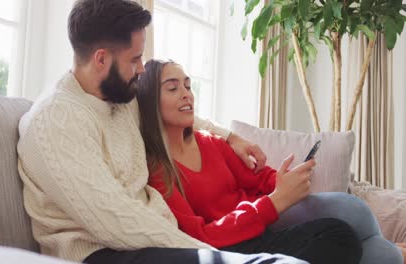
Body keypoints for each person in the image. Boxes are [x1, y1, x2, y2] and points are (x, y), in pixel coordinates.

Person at [17, 0, 308, 263]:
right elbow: (114, 221)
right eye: (134, 59)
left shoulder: (118, 99)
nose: (142, 69)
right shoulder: (56, 121)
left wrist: (232, 137)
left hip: (157, 242)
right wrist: (209, 252)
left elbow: (176, 115)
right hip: (103, 253)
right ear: (101, 59)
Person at [137, 59, 403, 264]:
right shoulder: (158, 169)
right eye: (173, 88)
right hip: (232, 247)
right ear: (150, 102)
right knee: (343, 236)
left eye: (187, 84)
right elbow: (199, 236)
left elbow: (259, 179)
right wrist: (274, 202)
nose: (187, 93)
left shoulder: (211, 141)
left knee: (364, 239)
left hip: (261, 228)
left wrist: (286, 182)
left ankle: (396, 254)